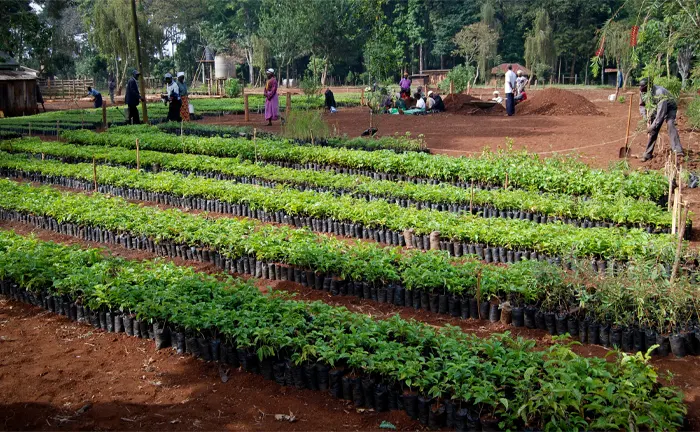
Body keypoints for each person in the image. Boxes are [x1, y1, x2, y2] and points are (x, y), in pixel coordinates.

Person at [639, 78, 683, 162]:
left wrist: (652, 126)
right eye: (640, 87)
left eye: (643, 87)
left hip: (670, 107)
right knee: (653, 131)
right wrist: (645, 118)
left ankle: (678, 150)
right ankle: (648, 154)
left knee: (670, 125)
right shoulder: (642, 91)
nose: (641, 89)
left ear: (649, 87)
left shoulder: (659, 93)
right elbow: (642, 105)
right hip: (656, 108)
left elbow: (661, 114)